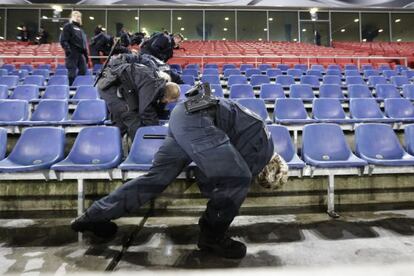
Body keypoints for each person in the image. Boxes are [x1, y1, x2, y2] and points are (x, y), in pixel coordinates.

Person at [71, 84, 289, 259]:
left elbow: (211, 170)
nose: (256, 181)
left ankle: (94, 217)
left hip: (185, 115)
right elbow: (223, 179)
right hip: (198, 120)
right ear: (267, 171)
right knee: (238, 179)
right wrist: (217, 207)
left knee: (155, 180)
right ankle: (212, 237)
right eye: (261, 181)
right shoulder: (259, 150)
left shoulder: (260, 136)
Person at [97, 58, 180, 139]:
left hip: (118, 86)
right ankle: (138, 146)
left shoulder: (157, 85)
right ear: (167, 96)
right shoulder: (152, 85)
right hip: (110, 86)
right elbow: (145, 110)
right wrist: (155, 128)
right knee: (132, 118)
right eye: (169, 101)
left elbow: (151, 105)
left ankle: (123, 144)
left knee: (125, 119)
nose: (167, 103)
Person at [59, 11, 89, 85]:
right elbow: (63, 40)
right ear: (72, 17)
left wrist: (86, 55)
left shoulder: (81, 30)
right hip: (72, 52)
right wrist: (68, 50)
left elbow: (83, 44)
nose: (77, 18)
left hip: (81, 53)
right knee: (72, 72)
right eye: (75, 16)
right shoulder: (68, 26)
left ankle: (77, 85)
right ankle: (70, 88)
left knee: (83, 70)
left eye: (79, 16)